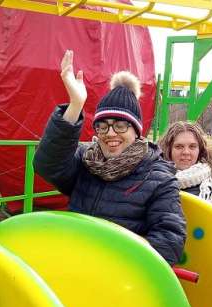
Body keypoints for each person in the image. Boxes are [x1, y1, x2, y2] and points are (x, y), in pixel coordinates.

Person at [33, 50, 186, 265]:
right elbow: (47, 165)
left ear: (136, 131)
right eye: (102, 126)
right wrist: (75, 106)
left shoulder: (159, 178)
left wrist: (111, 257)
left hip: (118, 277)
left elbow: (170, 242)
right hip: (73, 262)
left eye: (121, 125)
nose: (111, 133)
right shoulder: (87, 161)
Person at [159, 122, 212, 227]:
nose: (186, 152)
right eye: (179, 146)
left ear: (200, 150)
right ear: (168, 150)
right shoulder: (155, 177)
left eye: (192, 147)